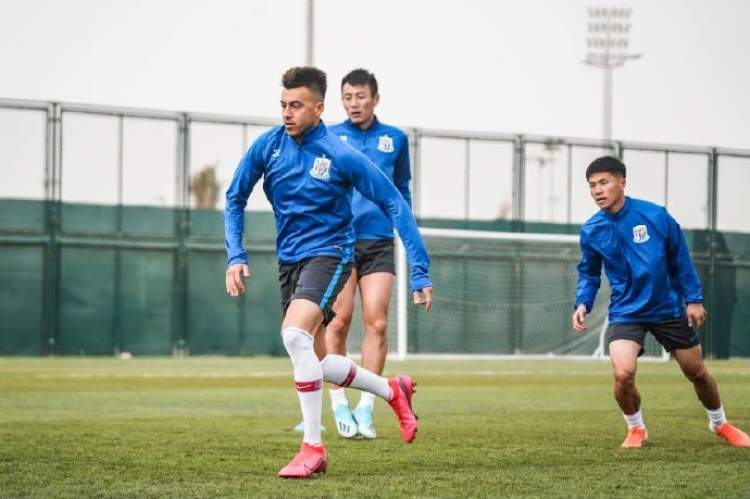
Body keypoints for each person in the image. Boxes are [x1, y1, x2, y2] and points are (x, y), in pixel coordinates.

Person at [224, 66, 434, 479]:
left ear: (318, 109)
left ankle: (313, 448)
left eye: (296, 105)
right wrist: (235, 254)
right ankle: (392, 389)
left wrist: (420, 270)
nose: (287, 112)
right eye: (283, 105)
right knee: (316, 361)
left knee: (293, 335)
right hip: (290, 260)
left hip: (332, 254)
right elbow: (234, 198)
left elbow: (394, 201)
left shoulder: (340, 154)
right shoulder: (268, 145)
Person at [571, 155, 750, 449]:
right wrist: (582, 303)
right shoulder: (592, 230)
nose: (597, 190)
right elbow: (589, 273)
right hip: (626, 312)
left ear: (622, 182)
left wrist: (693, 299)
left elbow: (681, 260)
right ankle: (636, 428)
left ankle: (720, 424)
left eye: (604, 182)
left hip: (667, 308)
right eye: (592, 185)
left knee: (697, 372)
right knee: (623, 374)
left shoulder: (655, 216)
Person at [308, 68, 413, 440]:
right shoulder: (329, 136)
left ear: (375, 99)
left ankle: (367, 406)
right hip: (340, 240)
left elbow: (401, 191)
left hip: (379, 240)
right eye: (348, 97)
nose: (354, 103)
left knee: (377, 322)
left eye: (361, 96)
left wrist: (406, 231)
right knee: (337, 322)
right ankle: (339, 403)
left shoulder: (396, 139)